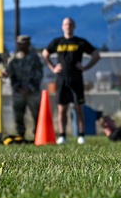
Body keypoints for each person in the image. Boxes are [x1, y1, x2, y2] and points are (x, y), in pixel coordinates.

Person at [42, 17, 100, 145]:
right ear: (62, 27)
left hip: (76, 79)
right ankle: (62, 135)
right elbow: (45, 54)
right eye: (66, 24)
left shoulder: (80, 42)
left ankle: (81, 135)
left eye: (70, 24)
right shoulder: (57, 42)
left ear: (74, 26)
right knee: (62, 109)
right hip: (61, 79)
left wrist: (85, 67)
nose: (68, 26)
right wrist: (53, 68)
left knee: (78, 108)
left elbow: (96, 55)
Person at [6, 35, 44, 142]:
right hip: (18, 92)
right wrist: (18, 87)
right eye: (20, 44)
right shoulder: (13, 59)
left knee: (36, 114)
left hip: (32, 92)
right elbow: (11, 75)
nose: (22, 46)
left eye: (24, 44)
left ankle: (38, 136)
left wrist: (30, 88)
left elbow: (39, 74)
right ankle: (20, 135)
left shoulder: (34, 58)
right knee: (18, 115)